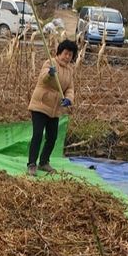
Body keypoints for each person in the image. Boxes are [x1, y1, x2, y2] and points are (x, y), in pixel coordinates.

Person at [26, 39, 77, 175]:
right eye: (65, 53)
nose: (67, 57)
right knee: (37, 134)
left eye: (70, 55)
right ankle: (32, 164)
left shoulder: (70, 71)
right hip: (41, 104)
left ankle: (44, 162)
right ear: (60, 52)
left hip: (55, 109)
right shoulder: (50, 63)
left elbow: (70, 88)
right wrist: (50, 74)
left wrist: (68, 99)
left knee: (52, 137)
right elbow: (42, 79)